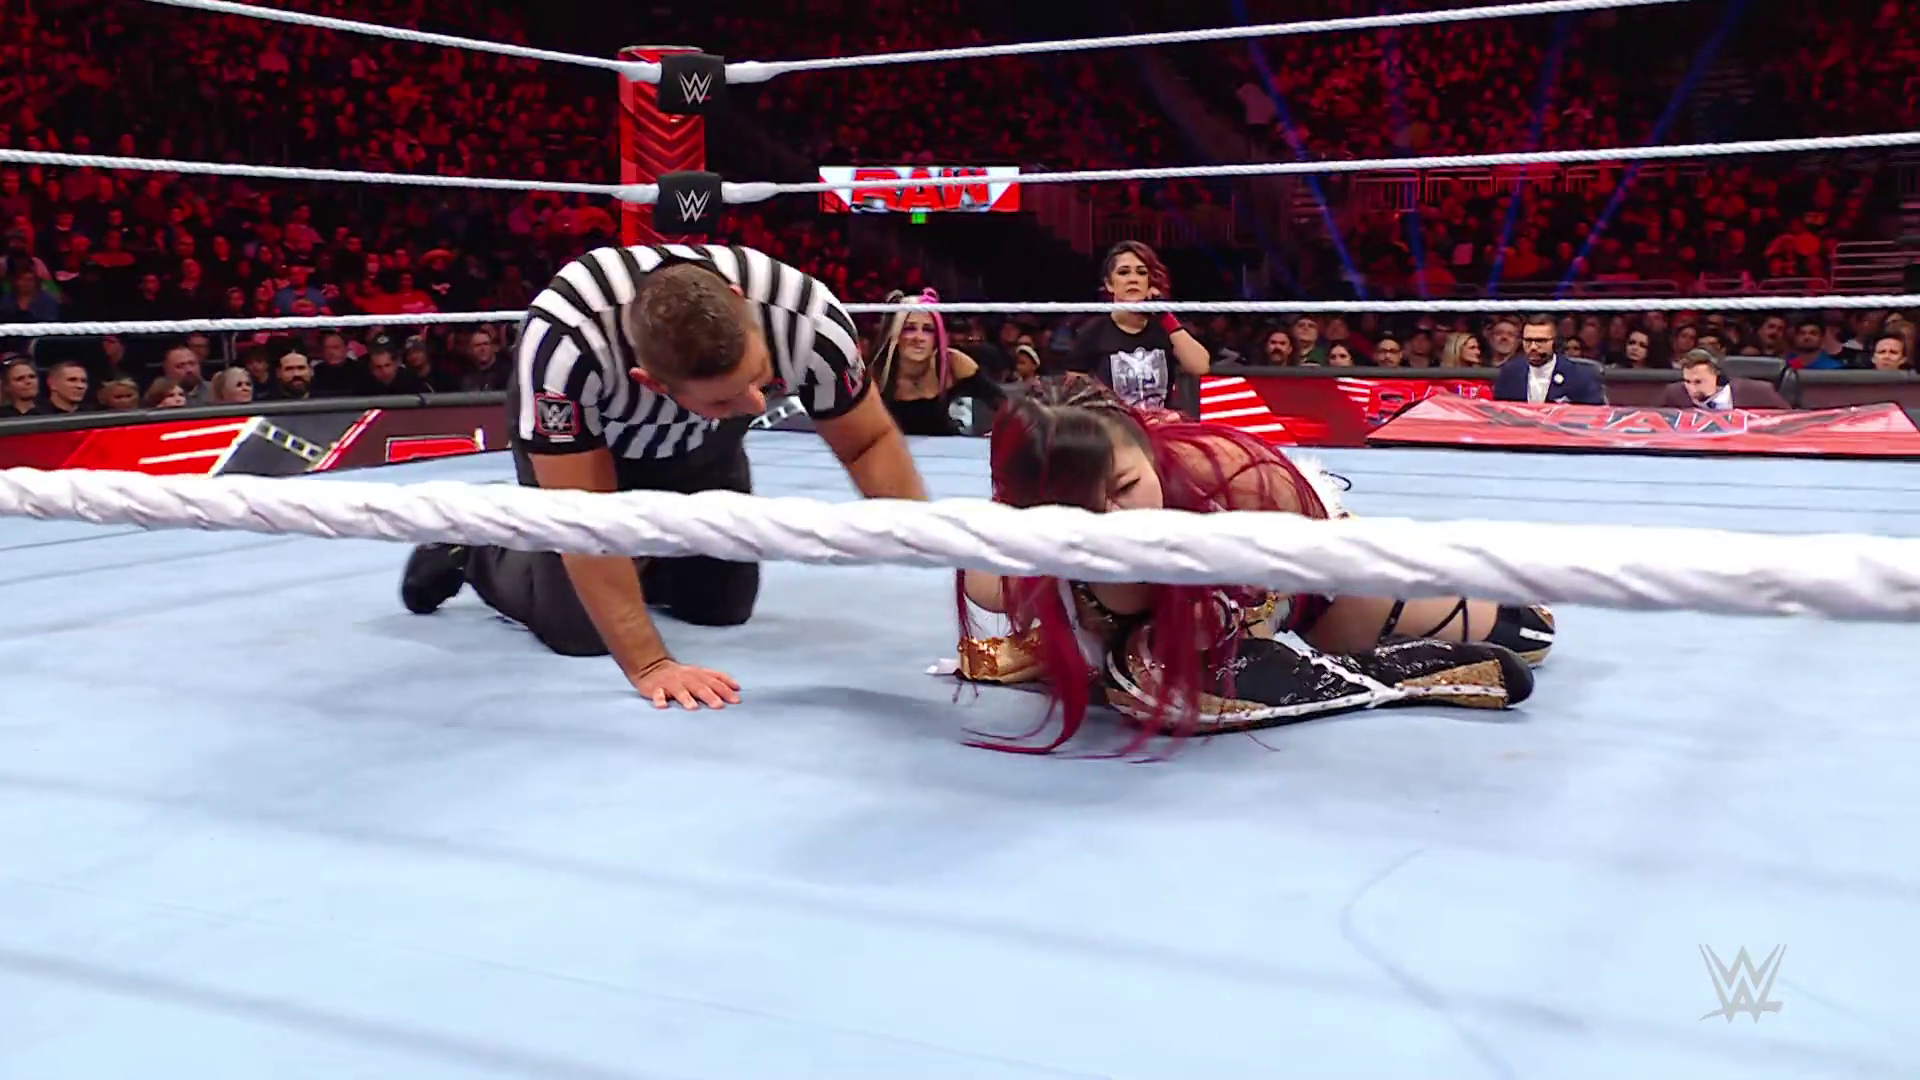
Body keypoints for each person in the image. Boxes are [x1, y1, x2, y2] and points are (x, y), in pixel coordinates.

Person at [401, 244, 928, 709]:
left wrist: (943, 552)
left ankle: (637, 557)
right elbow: (585, 519)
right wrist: (650, 664)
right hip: (591, 448)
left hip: (704, 444)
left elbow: (867, 442)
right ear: (651, 382)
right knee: (581, 631)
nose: (757, 403)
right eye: (728, 397)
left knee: (720, 606)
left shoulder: (807, 318)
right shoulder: (568, 343)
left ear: (740, 302)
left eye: (761, 375)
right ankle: (475, 547)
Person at [954, 376, 1553, 753]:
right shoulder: (1012, 562)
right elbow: (1004, 594)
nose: (1113, 517)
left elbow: (1307, 550)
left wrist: (1239, 620)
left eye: (1126, 487)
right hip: (1186, 637)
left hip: (1304, 580)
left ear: (1146, 452)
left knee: (1527, 633)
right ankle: (1382, 678)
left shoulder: (1229, 477)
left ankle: (1380, 666)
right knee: (1151, 680)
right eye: (1082, 510)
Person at [1068, 241, 1210, 415]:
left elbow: (1200, 366)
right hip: (1115, 426)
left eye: (1141, 272)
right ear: (1109, 284)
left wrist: (1165, 315)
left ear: (1150, 282)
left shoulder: (1164, 327)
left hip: (1161, 424)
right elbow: (1074, 395)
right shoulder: (1093, 332)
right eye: (1124, 272)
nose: (1133, 279)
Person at [869, 288, 1005, 436]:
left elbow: (1003, 403)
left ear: (936, 337)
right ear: (896, 334)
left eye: (928, 330)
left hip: (946, 446)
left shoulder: (952, 362)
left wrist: (1001, 434)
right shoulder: (878, 370)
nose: (919, 338)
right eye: (910, 328)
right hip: (893, 448)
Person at [1493, 313, 1607, 405]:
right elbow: (1500, 414)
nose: (1533, 347)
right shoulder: (1510, 373)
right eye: (1528, 340)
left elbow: (1593, 416)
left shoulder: (1581, 376)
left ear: (1555, 342)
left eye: (1540, 341)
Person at [1659, 350, 1790, 410]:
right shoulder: (1675, 393)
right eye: (1687, 381)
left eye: (1698, 382)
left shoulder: (1758, 392)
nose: (1691, 389)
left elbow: (1789, 421)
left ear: (1717, 375)